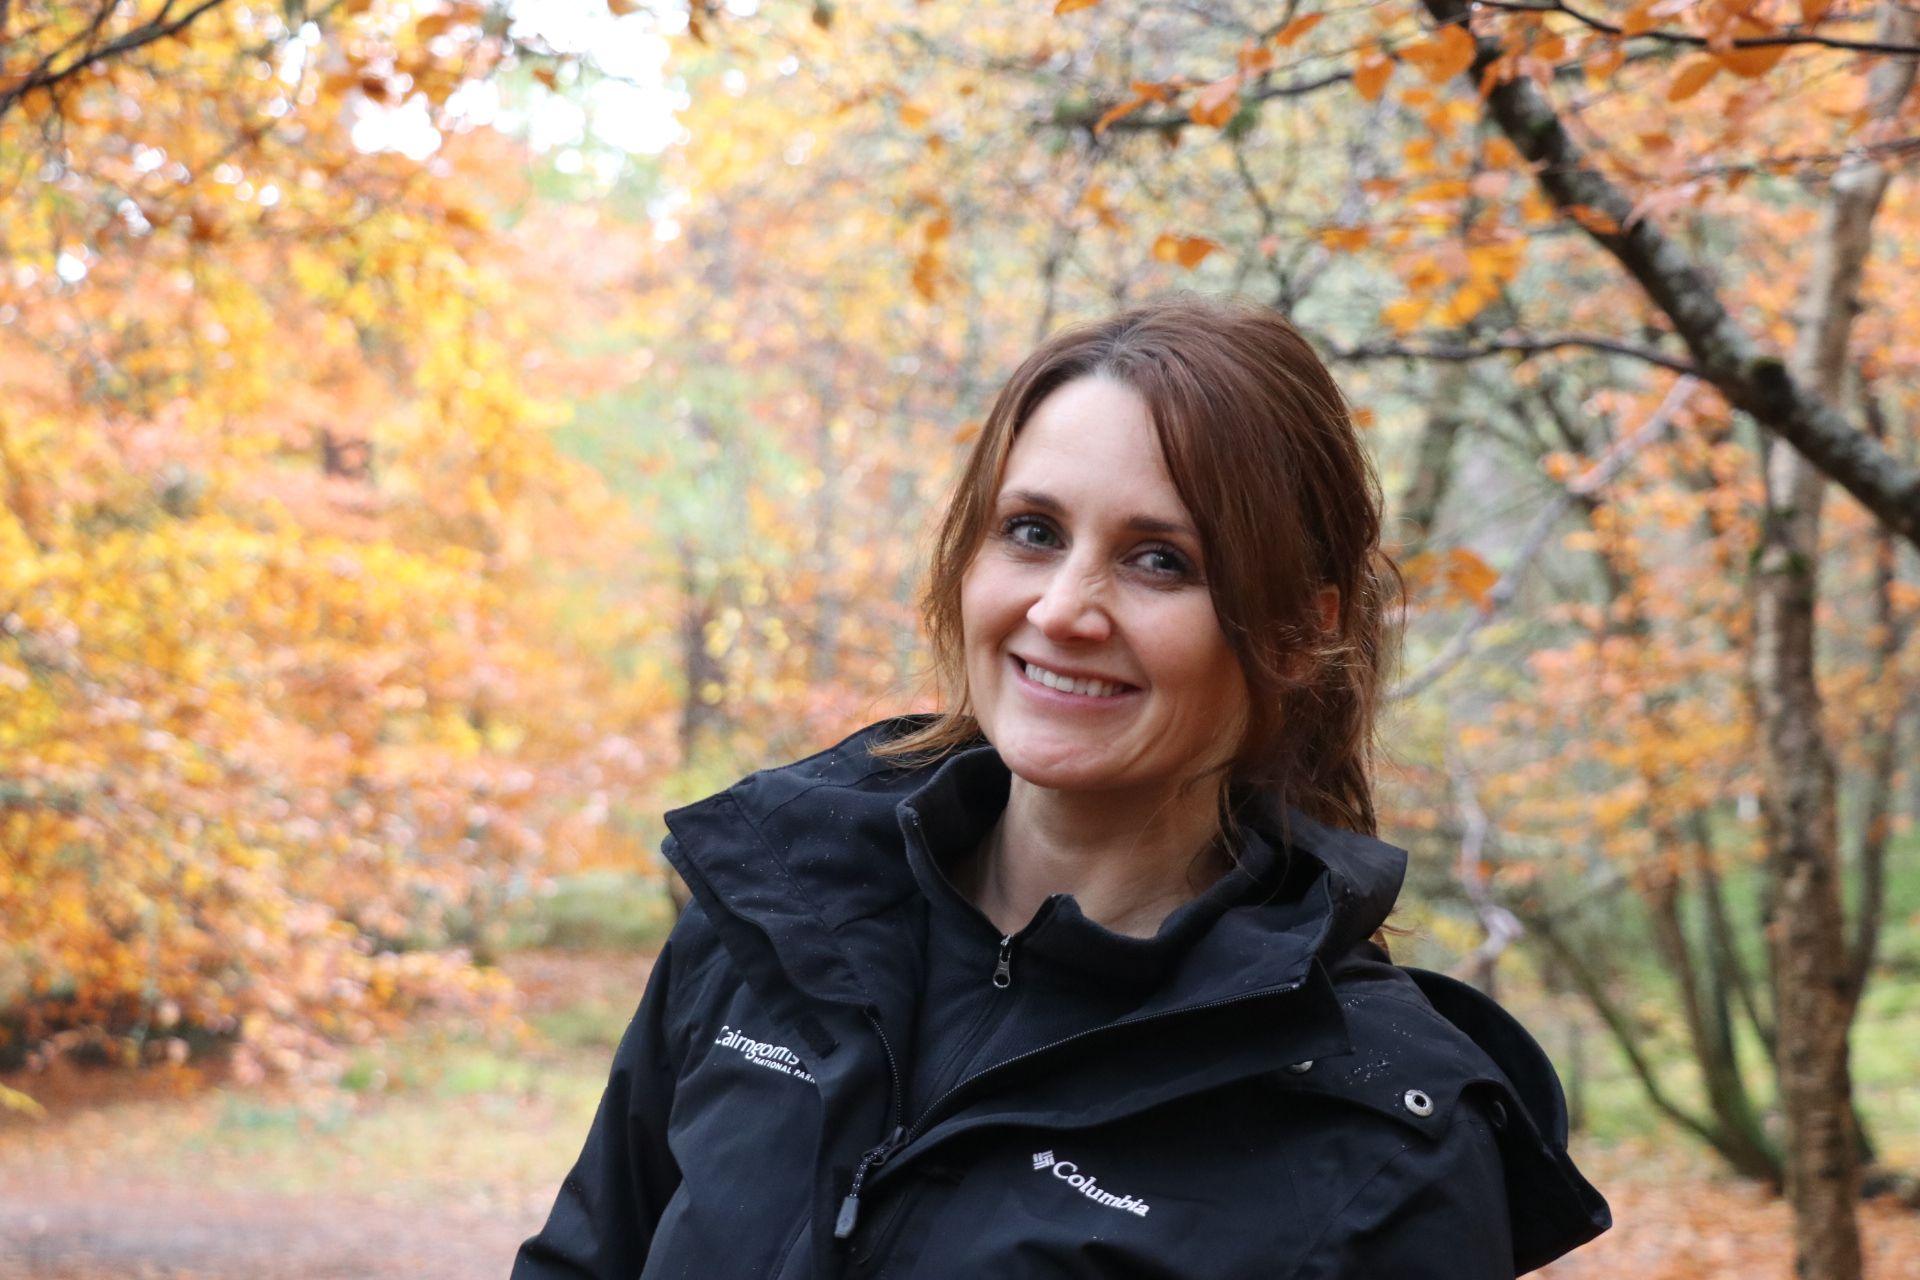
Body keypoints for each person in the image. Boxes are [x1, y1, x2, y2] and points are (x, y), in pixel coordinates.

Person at [510, 292, 1611, 1279]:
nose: (1063, 609)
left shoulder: (1381, 1136)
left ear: (1298, 626)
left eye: (1159, 559)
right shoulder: (777, 915)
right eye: (1032, 532)